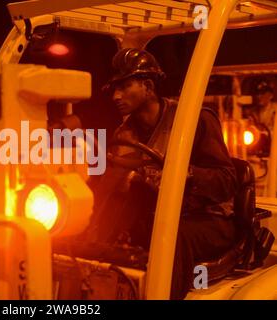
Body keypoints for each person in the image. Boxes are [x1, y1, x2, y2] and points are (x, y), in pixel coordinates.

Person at [60, 48, 239, 299]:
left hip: (209, 218)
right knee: (103, 227)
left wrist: (182, 174)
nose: (116, 96)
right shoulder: (125, 134)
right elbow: (117, 186)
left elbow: (226, 181)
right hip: (162, 214)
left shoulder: (193, 120)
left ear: (147, 85)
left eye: (124, 86)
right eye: (114, 89)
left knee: (168, 235)